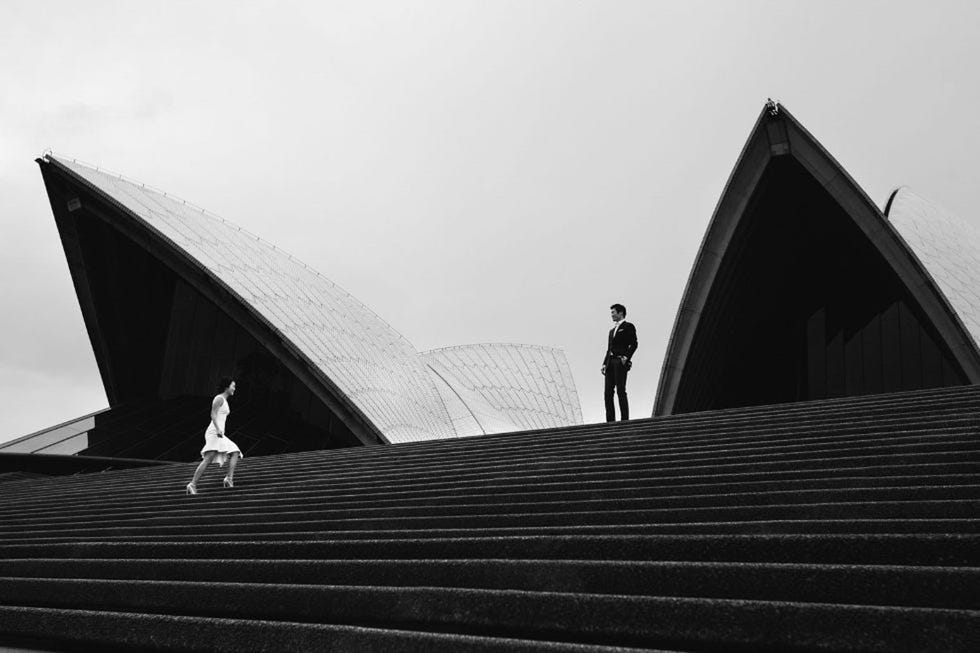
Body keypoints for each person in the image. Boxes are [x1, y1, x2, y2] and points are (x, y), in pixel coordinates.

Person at [186, 377, 243, 494]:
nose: (234, 388)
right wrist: (218, 429)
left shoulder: (225, 401)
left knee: (235, 451)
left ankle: (229, 478)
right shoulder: (219, 398)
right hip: (214, 432)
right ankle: (192, 484)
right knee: (209, 458)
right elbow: (213, 414)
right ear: (227, 387)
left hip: (220, 433)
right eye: (233, 386)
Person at [602, 303, 638, 422]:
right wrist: (604, 363)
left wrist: (626, 357)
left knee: (621, 390)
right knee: (608, 392)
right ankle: (610, 420)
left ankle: (624, 419)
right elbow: (609, 348)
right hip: (610, 363)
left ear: (620, 312)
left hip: (620, 361)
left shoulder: (628, 326)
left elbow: (634, 344)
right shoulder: (611, 331)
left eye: (613, 312)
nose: (611, 315)